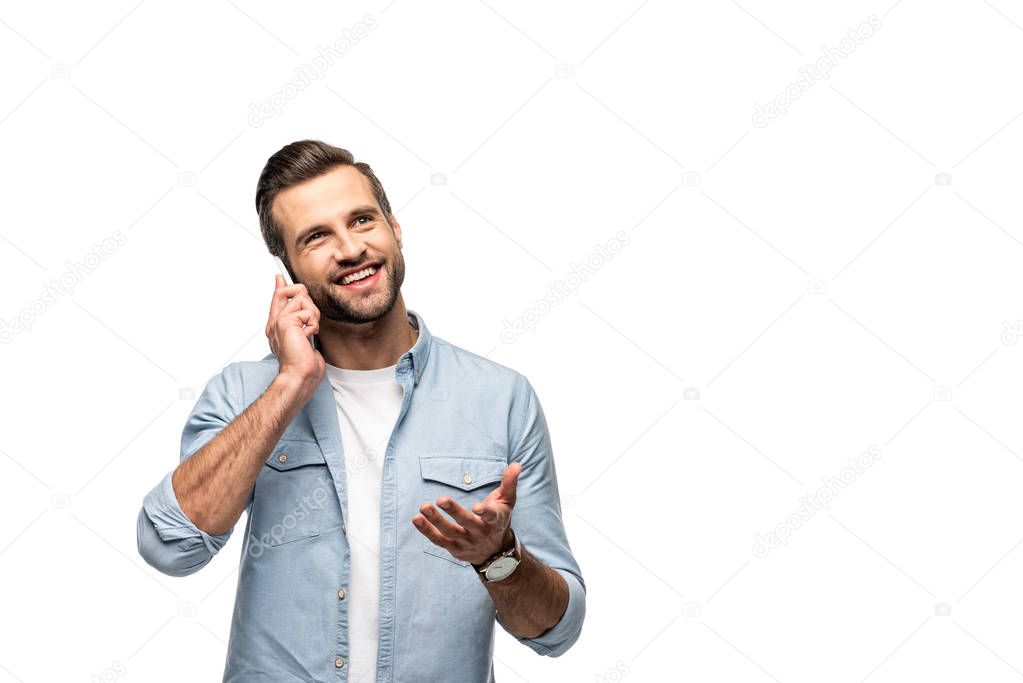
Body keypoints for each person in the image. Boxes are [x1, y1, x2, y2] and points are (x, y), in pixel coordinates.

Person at [135, 140, 585, 682]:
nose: (350, 250)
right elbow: (169, 547)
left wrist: (498, 556)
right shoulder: (244, 393)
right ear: (289, 268)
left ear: (395, 229)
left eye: (362, 220)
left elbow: (556, 630)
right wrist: (292, 383)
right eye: (317, 236)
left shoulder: (500, 398)